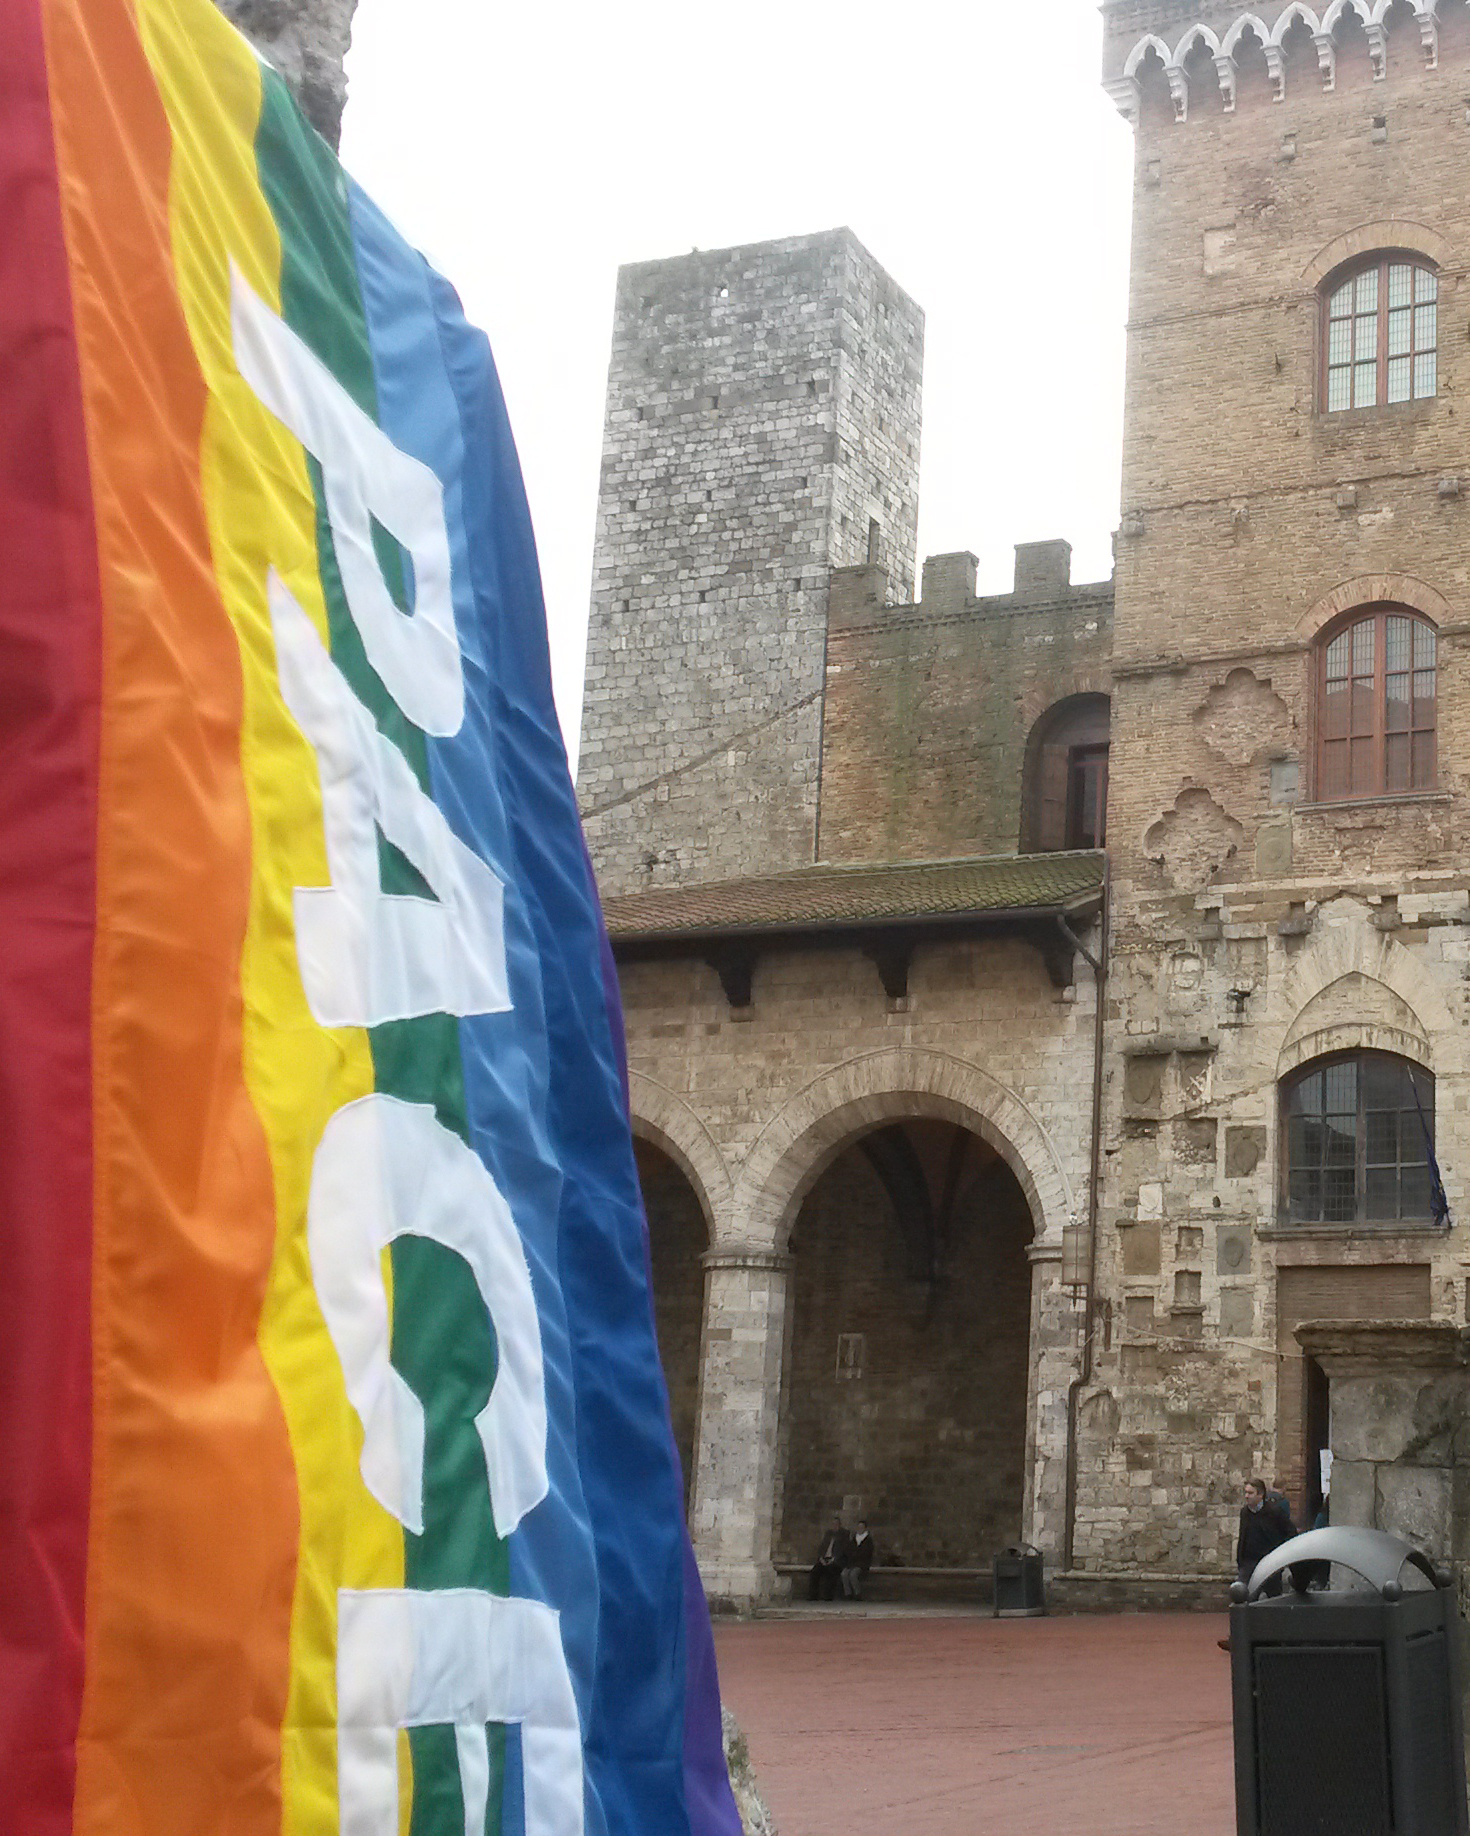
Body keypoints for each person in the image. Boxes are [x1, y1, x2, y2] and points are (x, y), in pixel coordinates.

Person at [1236, 1476, 1296, 1596]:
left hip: (1270, 1563)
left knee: (1272, 1599)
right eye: (1246, 1492)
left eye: (1250, 1493)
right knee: (1243, 1596)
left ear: (1260, 1494)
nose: (1247, 1496)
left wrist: (1280, 1555)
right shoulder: (1245, 1512)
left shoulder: (1274, 1512)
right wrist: (1240, 1560)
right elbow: (1243, 1536)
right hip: (1249, 1563)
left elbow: (1291, 1532)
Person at [808, 1515, 849, 1601]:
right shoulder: (828, 1534)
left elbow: (843, 1550)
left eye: (836, 1524)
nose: (834, 1526)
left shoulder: (844, 1534)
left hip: (836, 1560)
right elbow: (821, 1548)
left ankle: (828, 1596)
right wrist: (821, 1558)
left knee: (830, 1571)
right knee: (815, 1571)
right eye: (833, 1524)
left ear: (840, 1525)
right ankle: (813, 1595)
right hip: (825, 1559)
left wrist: (834, 1559)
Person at [841, 1520, 875, 1600]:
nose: (860, 1529)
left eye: (862, 1527)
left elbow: (866, 1553)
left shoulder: (868, 1541)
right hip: (851, 1563)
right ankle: (848, 1594)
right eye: (859, 1527)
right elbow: (848, 1550)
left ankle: (857, 1593)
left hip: (861, 1564)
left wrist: (855, 1555)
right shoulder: (853, 1539)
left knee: (853, 1574)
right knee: (844, 1574)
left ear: (865, 1529)